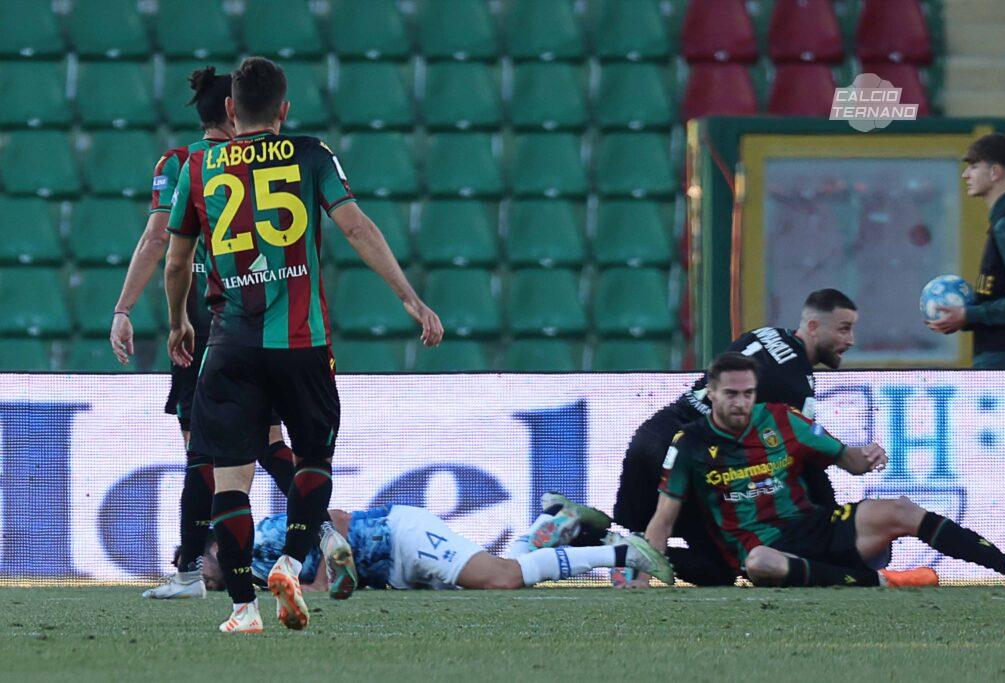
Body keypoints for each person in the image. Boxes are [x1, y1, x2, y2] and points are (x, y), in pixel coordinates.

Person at [165, 57, 444, 634]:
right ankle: (292, 562)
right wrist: (411, 300)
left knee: (230, 478)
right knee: (312, 460)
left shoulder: (195, 166)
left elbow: (174, 260)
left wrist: (176, 322)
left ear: (231, 110)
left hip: (231, 344)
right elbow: (358, 228)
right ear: (285, 110)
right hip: (303, 344)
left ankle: (243, 609)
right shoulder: (311, 154)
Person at [109, 67, 297, 600]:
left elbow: (156, 244)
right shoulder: (267, 162)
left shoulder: (181, 163)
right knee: (267, 440)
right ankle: (319, 528)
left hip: (199, 321)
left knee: (203, 449)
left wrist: (123, 308)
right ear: (235, 110)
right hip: (261, 316)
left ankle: (192, 569)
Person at [644, 352, 1005, 588]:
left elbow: (847, 460)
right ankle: (882, 581)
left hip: (814, 527)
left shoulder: (781, 419)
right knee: (761, 564)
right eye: (731, 394)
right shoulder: (689, 444)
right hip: (761, 550)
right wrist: (643, 571)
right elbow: (663, 519)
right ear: (710, 394)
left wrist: (867, 455)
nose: (741, 403)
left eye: (748, 393)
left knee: (900, 509)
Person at [613, 289, 858, 586]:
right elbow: (805, 460)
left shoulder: (765, 334)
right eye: (844, 329)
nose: (850, 340)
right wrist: (830, 526)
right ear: (814, 326)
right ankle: (614, 550)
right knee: (719, 567)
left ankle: (592, 537)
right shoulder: (795, 383)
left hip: (652, 437)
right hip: (691, 452)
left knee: (643, 531)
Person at [199, 499, 672, 608]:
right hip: (398, 573)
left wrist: (324, 576)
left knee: (503, 578)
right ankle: (554, 522)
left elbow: (335, 517)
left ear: (217, 548)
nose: (201, 572)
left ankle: (622, 555)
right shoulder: (256, 576)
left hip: (401, 535)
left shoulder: (261, 537)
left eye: (199, 560)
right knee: (497, 579)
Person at [927, 133, 1005, 369]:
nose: (966, 174)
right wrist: (964, 315)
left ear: (995, 172)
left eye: (973, 166)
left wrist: (968, 315)